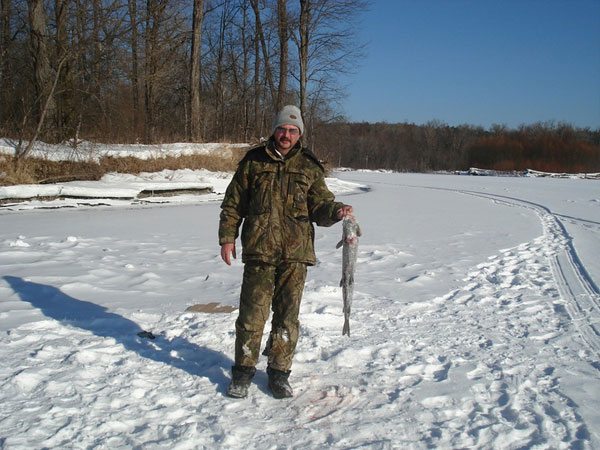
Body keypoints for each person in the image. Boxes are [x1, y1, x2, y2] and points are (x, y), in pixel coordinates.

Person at [219, 105, 354, 399]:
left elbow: (320, 206)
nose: (287, 135)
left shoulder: (309, 166)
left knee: (286, 318)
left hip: (295, 255)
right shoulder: (253, 162)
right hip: (259, 252)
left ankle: (279, 374)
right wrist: (227, 237)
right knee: (251, 316)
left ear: (299, 134)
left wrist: (337, 211)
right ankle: (242, 372)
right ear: (274, 130)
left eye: (293, 131)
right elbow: (233, 203)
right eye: (282, 129)